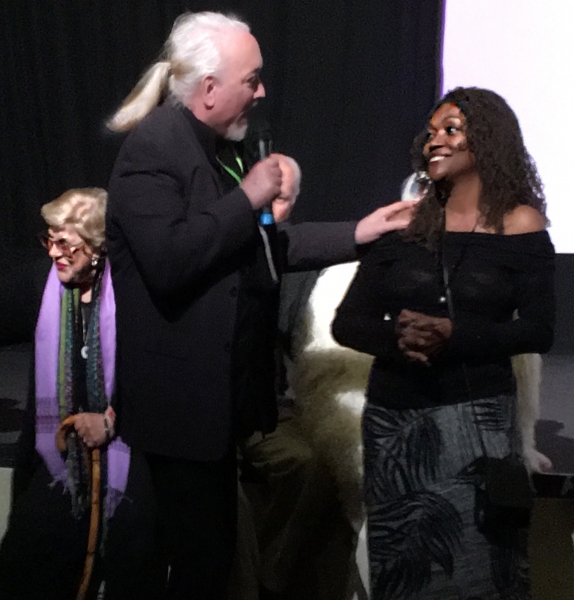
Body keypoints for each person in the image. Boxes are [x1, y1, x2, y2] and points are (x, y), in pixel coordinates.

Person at [105, 11, 416, 599]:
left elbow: (263, 248)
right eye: (253, 79)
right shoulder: (153, 150)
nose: (263, 90)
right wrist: (246, 200)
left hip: (217, 408)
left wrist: (361, 231)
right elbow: (170, 260)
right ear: (209, 90)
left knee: (211, 559)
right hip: (180, 410)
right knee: (188, 561)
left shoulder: (214, 150)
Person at [332, 87, 555, 599]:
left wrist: (457, 334)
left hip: (476, 426)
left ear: (488, 142)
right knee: (405, 573)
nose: (436, 141)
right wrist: (398, 337)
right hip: (397, 430)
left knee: (481, 571)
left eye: (451, 130)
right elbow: (347, 324)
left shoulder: (520, 226)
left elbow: (539, 330)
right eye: (431, 132)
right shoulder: (405, 228)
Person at [0, 188, 157, 600]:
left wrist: (110, 418)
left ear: (98, 245)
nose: (54, 252)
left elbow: (156, 379)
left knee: (131, 548)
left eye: (65, 242)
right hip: (60, 458)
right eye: (49, 239)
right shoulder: (45, 286)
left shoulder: (134, 296)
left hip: (127, 450)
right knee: (26, 553)